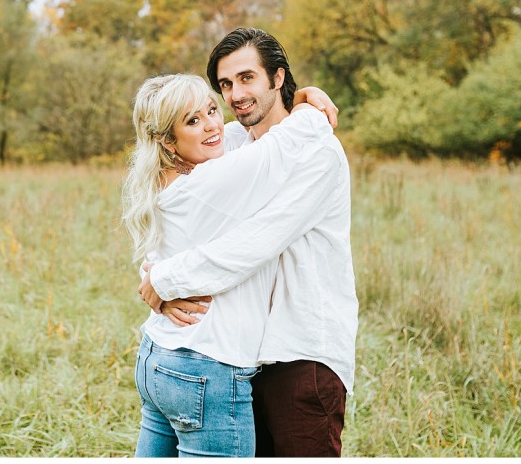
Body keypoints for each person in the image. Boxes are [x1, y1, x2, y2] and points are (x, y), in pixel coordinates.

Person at [138, 27, 357, 457]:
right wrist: (153, 281)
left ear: (278, 77)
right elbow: (180, 215)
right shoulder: (232, 143)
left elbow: (257, 242)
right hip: (240, 356)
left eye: (247, 78)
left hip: (301, 351)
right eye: (225, 84)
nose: (235, 95)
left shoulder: (318, 153)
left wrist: (163, 280)